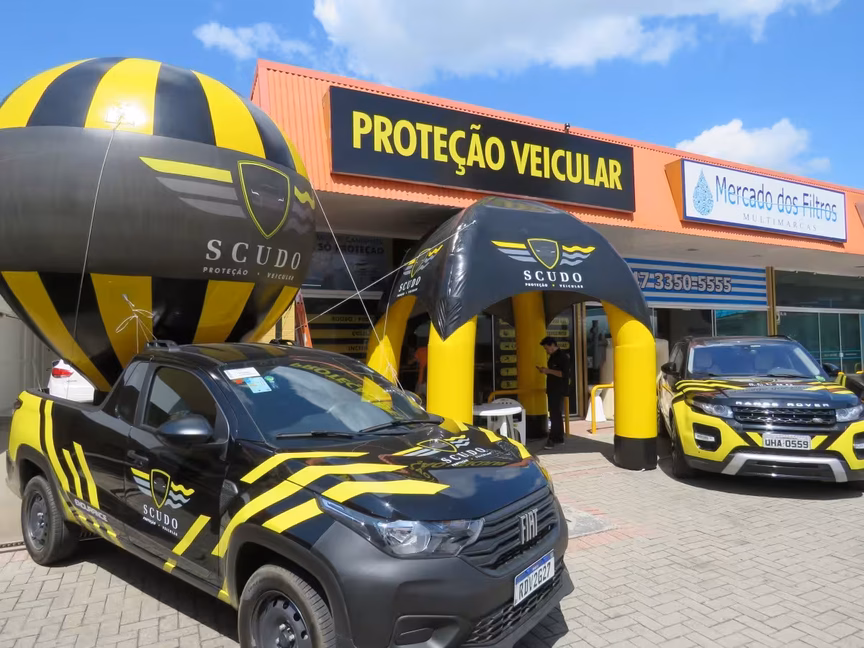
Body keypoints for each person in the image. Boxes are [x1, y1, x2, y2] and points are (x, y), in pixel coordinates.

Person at [537, 336, 570, 450]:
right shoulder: (553, 357)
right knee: (555, 413)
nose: (546, 351)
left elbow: (563, 374)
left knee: (555, 414)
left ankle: (553, 438)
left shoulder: (563, 357)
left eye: (547, 348)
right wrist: (545, 371)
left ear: (552, 345)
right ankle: (559, 437)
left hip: (558, 389)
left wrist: (548, 371)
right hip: (552, 388)